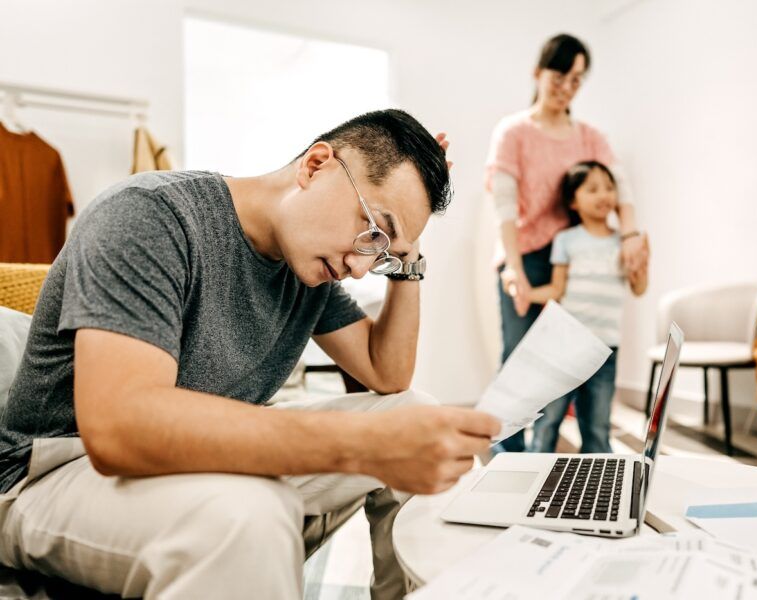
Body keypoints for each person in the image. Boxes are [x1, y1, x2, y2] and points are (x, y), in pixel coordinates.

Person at [0, 109, 501, 599]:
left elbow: (387, 374)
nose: (360, 266)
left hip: (196, 461)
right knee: (247, 512)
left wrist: (408, 257)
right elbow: (119, 428)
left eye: (381, 251)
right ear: (316, 165)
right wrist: (360, 442)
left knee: (415, 411)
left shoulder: (306, 263)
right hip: (52, 470)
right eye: (373, 228)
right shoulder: (151, 214)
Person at [485, 33, 648, 452]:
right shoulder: (513, 132)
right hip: (527, 256)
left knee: (568, 362)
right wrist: (515, 270)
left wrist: (629, 236)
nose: (567, 88)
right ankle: (509, 455)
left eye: (577, 80)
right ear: (538, 73)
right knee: (520, 361)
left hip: (575, 255)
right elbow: (504, 209)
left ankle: (558, 447)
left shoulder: (589, 136)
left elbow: (621, 189)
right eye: (560, 76)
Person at [526, 160, 648, 453]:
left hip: (605, 349)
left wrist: (642, 265)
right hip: (565, 344)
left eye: (609, 187)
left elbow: (638, 288)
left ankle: (598, 483)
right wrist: (525, 292)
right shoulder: (566, 239)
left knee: (597, 425)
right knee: (548, 419)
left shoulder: (626, 241)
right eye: (592, 189)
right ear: (573, 201)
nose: (603, 194)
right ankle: (532, 469)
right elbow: (557, 289)